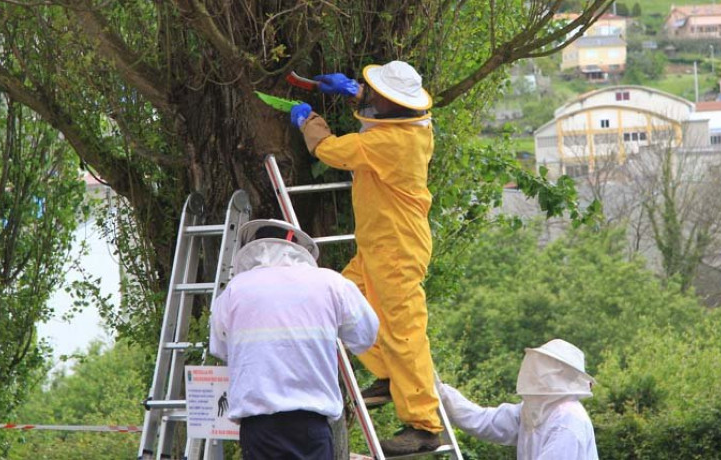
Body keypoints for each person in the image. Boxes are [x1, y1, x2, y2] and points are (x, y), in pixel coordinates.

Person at [289, 60, 442, 455]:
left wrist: (310, 123)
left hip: (396, 247)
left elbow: (331, 151)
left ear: (393, 103)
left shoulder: (388, 142)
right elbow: (386, 114)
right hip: (378, 244)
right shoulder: (414, 125)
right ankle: (391, 375)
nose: (372, 99)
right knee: (343, 304)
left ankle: (424, 424)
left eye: (378, 95)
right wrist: (355, 91)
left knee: (405, 332)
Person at [209, 219, 379, 460]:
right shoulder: (330, 284)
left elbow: (221, 349)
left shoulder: (233, 292)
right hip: (310, 426)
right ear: (298, 246)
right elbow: (366, 335)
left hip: (258, 430)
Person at [437, 339, 599, 460]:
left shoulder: (568, 420)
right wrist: (440, 391)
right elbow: (483, 421)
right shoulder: (533, 411)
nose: (539, 373)